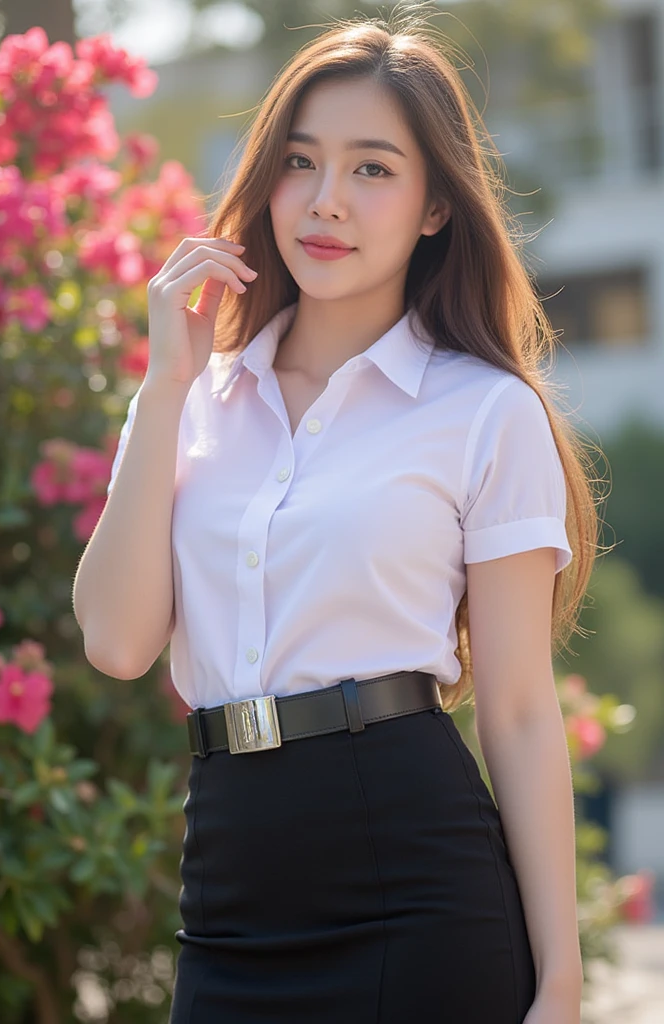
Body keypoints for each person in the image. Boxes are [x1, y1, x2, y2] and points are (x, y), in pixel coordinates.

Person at [73, 10, 603, 1024]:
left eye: (371, 170)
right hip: (229, 883)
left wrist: (561, 981)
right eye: (301, 162)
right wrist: (164, 384)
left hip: (413, 879)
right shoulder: (197, 401)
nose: (325, 202)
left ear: (436, 205)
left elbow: (522, 712)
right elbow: (116, 639)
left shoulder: (483, 413)